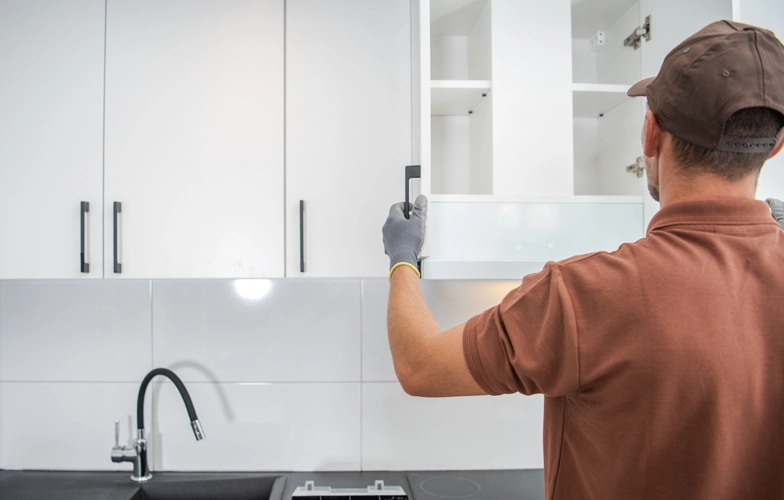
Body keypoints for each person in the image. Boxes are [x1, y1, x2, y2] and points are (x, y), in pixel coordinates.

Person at [382, 21, 784, 500]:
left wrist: (402, 258)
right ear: (776, 146)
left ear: (651, 133)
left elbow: (419, 367)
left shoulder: (586, 294)